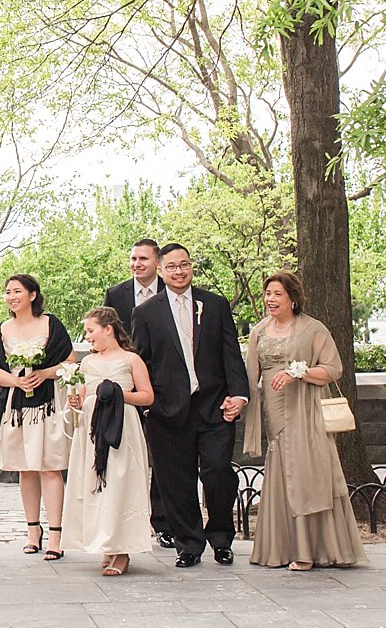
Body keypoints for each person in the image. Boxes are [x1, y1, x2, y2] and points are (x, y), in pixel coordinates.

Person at [132, 243, 248, 568]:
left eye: (184, 265)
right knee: (177, 481)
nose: (179, 272)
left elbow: (231, 355)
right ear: (160, 270)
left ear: (191, 266)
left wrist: (239, 395)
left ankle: (222, 539)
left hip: (215, 408)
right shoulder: (145, 313)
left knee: (218, 474)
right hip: (167, 413)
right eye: (172, 267)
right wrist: (146, 405)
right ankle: (189, 545)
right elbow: (141, 361)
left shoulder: (215, 304)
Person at [244, 272, 367, 571]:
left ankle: (312, 550)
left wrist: (299, 372)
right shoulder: (259, 331)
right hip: (274, 409)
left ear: (293, 299)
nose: (270, 299)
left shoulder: (313, 329)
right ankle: (281, 548)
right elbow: (250, 376)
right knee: (282, 467)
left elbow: (333, 369)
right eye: (268, 294)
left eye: (277, 294)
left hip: (305, 407)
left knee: (307, 470)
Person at [0, 274, 74, 560]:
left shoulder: (50, 324)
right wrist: (16, 382)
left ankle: (57, 535)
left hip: (48, 404)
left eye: (18, 291)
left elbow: (69, 361)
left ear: (32, 295)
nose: (12, 296)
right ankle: (33, 530)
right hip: (16, 405)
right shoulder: (2, 329)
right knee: (25, 468)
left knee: (50, 467)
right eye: (8, 292)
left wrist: (44, 373)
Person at [61, 307, 154, 577]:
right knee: (96, 484)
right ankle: (105, 542)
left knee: (119, 483)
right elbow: (82, 393)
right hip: (92, 428)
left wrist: (118, 394)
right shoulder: (88, 363)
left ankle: (122, 549)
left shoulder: (131, 359)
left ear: (108, 329)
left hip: (121, 427)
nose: (87, 336)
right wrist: (76, 400)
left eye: (91, 331)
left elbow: (147, 396)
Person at [102, 237, 174, 548]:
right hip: (123, 385)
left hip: (163, 385)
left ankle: (162, 521)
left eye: (143, 259)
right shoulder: (116, 294)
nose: (137, 264)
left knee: (162, 457)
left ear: (156, 262)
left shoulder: (171, 290)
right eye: (133, 259)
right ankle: (122, 520)